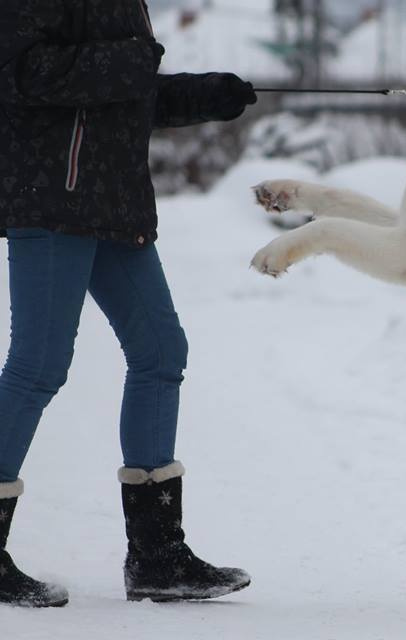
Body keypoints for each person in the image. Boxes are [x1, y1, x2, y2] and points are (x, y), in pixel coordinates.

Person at [0, 0, 258, 607]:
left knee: (161, 352)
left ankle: (157, 555)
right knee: (38, 366)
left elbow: (122, 95)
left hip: (113, 202)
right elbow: (22, 73)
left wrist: (203, 96)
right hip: (52, 197)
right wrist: (137, 59)